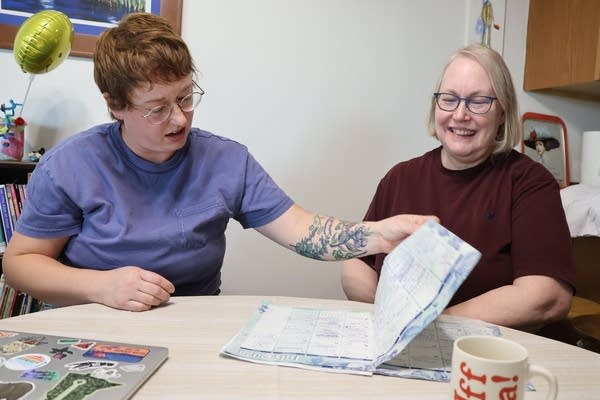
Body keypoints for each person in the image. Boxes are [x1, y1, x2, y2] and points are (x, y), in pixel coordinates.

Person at [2, 13, 434, 313]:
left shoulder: (226, 160)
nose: (179, 118)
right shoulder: (70, 164)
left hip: (191, 322)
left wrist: (379, 234)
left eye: (186, 97)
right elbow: (20, 263)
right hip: (92, 322)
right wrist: (98, 285)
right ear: (115, 105)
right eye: (157, 108)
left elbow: (304, 231)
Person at [341, 44, 574, 333]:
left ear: (502, 111)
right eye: (449, 99)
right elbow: (356, 263)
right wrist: (389, 317)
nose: (460, 115)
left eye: (478, 102)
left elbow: (547, 296)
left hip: (492, 360)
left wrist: (433, 323)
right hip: (406, 347)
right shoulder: (400, 177)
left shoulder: (529, 183)